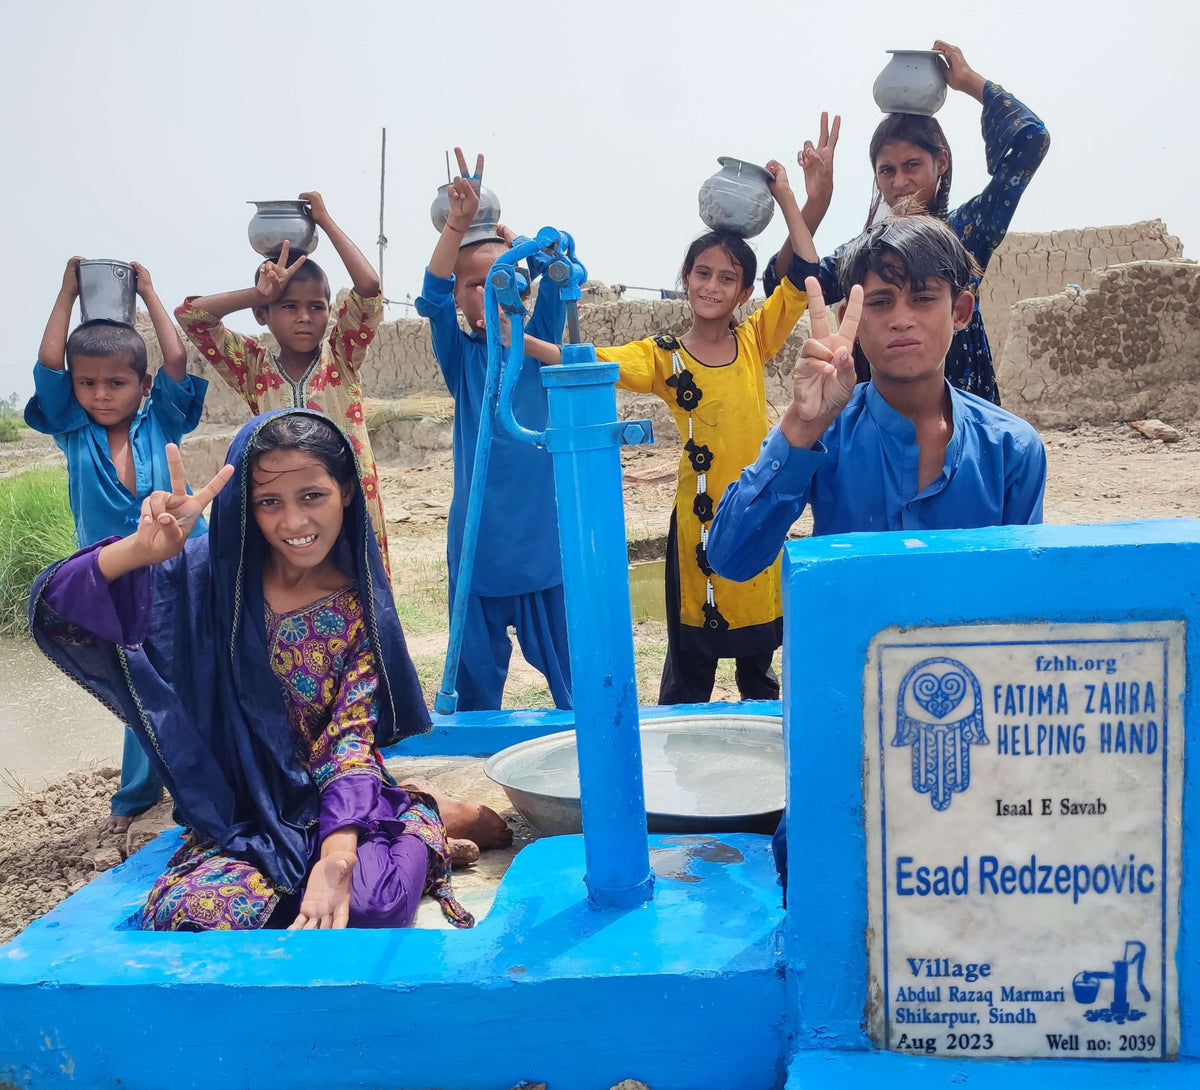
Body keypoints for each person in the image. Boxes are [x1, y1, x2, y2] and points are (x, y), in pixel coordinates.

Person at [29, 410, 509, 931]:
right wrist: (137, 552)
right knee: (188, 912)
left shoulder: (356, 608)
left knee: (374, 905)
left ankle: (418, 816)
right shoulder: (205, 580)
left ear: (346, 492)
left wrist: (338, 857)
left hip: (335, 794)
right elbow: (58, 609)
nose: (294, 522)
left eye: (312, 496)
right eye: (268, 502)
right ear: (246, 508)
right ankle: (413, 807)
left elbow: (346, 743)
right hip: (244, 812)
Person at [707, 216, 1046, 884]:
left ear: (960, 310)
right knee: (823, 887)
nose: (901, 320)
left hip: (971, 737)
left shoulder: (1012, 451)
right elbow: (731, 557)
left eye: (922, 298)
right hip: (842, 727)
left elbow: (1023, 615)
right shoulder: (827, 432)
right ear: (855, 320)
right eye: (881, 302)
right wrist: (801, 425)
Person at [523, 158, 824, 706]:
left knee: (761, 666)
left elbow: (807, 267)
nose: (712, 285)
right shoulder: (664, 357)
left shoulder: (757, 339)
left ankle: (770, 767)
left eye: (727, 277)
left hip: (758, 513)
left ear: (744, 291)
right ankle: (680, 775)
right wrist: (516, 340)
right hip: (700, 522)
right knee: (690, 672)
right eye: (702, 273)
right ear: (684, 279)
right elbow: (590, 360)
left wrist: (785, 198)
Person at [24, 256, 209, 833]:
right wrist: (65, 292)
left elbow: (177, 361)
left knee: (196, 670)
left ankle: (200, 779)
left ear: (142, 385)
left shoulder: (161, 423)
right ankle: (134, 797)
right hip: (116, 574)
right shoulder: (72, 429)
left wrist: (151, 292)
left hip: (183, 565)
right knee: (136, 682)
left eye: (116, 382)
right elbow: (48, 367)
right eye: (89, 383)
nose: (101, 395)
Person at [765, 41, 1050, 404]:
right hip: (884, 418)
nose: (899, 182)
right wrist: (815, 204)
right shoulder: (868, 252)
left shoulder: (965, 231)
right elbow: (788, 287)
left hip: (960, 413)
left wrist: (968, 81)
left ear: (941, 162)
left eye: (912, 165)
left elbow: (1031, 139)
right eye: (887, 170)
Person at [416, 149, 573, 711]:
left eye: (497, 279)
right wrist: (458, 224)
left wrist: (525, 243)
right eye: (472, 283)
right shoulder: (461, 355)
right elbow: (431, 294)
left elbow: (560, 264)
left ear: (518, 285)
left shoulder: (542, 335)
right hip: (479, 537)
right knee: (474, 681)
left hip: (542, 538)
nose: (484, 291)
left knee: (573, 676)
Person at [174, 191, 393, 575]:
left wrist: (324, 220)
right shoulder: (252, 369)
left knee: (363, 591)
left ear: (329, 312)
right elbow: (192, 318)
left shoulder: (341, 356)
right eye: (288, 306)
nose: (304, 317)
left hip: (348, 501)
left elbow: (370, 287)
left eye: (316, 307)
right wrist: (257, 293)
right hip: (286, 510)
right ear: (263, 314)